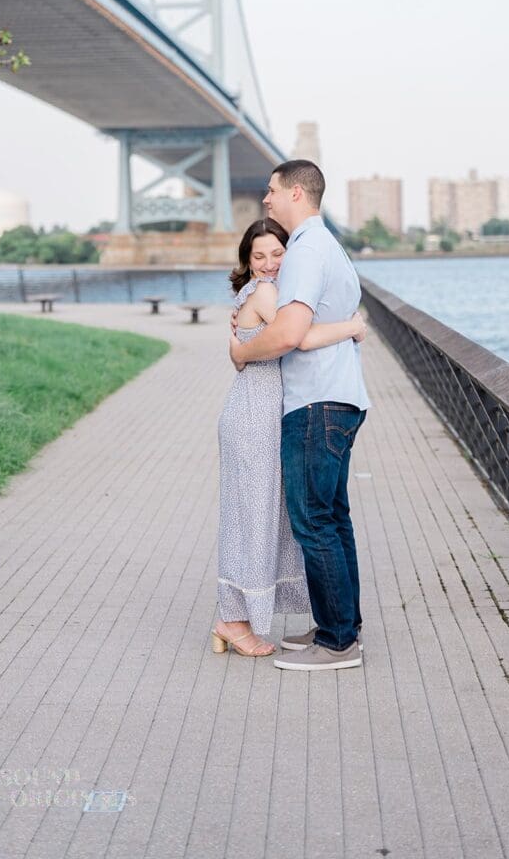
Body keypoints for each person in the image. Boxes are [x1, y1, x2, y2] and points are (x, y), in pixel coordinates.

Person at [229, 161, 371, 672]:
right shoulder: (327, 245)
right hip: (339, 397)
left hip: (315, 402)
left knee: (314, 522)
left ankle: (337, 644)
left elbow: (289, 334)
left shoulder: (307, 250)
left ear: (293, 192)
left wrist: (243, 353)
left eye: (270, 191)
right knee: (332, 519)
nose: (265, 200)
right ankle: (341, 626)